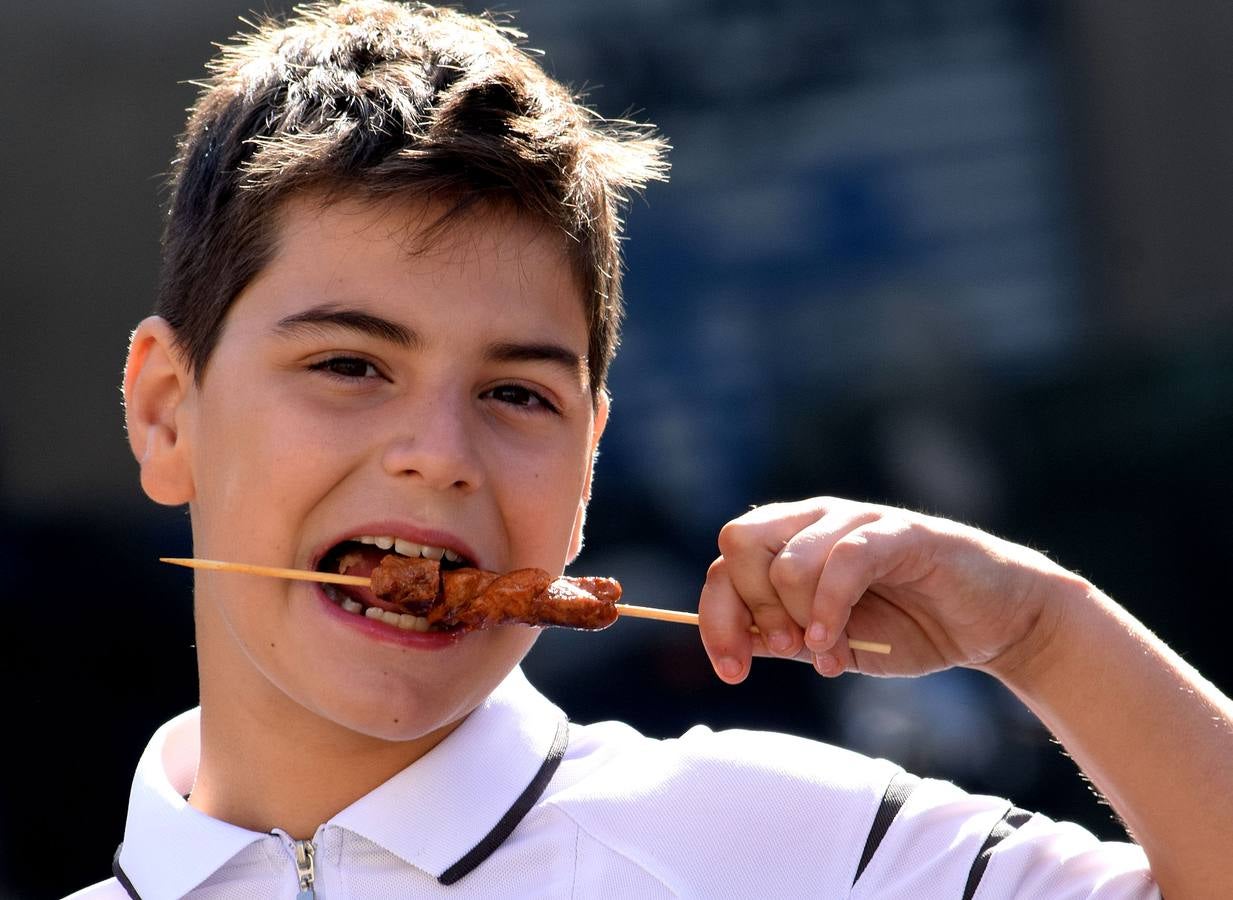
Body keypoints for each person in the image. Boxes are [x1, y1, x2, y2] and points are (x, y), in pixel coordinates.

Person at [69, 2, 1232, 897]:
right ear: (169, 411)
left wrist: (1046, 632)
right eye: (349, 366)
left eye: (518, 394)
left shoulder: (796, 847)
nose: (437, 453)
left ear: (590, 454)